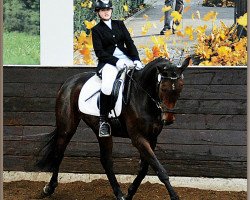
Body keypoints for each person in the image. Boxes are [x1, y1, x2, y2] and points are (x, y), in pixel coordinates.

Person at [91, 0, 143, 137]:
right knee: (107, 87)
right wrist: (116, 61)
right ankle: (103, 121)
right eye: (102, 10)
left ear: (111, 10)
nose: (106, 12)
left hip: (126, 59)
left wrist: (136, 59)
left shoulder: (119, 24)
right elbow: (99, 53)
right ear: (98, 12)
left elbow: (129, 43)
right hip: (108, 63)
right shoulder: (96, 30)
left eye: (108, 9)